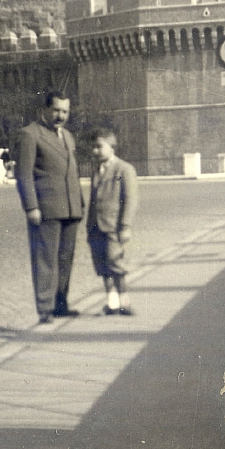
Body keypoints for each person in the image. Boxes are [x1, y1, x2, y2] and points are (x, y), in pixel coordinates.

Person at [16, 92, 84, 323]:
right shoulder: (30, 134)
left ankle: (61, 304)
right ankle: (45, 308)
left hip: (70, 208)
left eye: (65, 111)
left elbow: (71, 172)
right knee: (45, 259)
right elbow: (24, 174)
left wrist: (79, 204)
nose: (60, 116)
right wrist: (31, 206)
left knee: (66, 259)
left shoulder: (68, 136)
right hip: (45, 208)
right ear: (45, 110)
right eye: (56, 110)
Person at [87, 129, 138, 316]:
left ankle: (124, 302)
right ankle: (112, 303)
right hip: (95, 227)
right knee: (102, 267)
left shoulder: (124, 169)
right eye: (93, 147)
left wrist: (125, 226)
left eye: (99, 146)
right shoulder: (97, 170)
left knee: (116, 265)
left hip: (114, 228)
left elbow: (131, 200)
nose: (95, 151)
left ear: (112, 146)